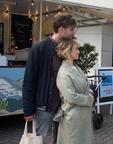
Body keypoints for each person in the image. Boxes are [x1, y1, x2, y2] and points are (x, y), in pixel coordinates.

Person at [22, 12, 77, 144]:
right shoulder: (38, 49)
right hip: (43, 108)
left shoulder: (68, 49)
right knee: (39, 140)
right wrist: (28, 110)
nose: (73, 33)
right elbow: (29, 81)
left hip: (63, 108)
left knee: (60, 140)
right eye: (71, 30)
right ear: (61, 29)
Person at [55, 39, 94, 144]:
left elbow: (85, 85)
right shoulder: (64, 73)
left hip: (82, 116)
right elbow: (71, 96)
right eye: (76, 49)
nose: (79, 51)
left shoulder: (76, 67)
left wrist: (90, 92)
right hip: (73, 118)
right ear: (67, 52)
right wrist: (89, 99)